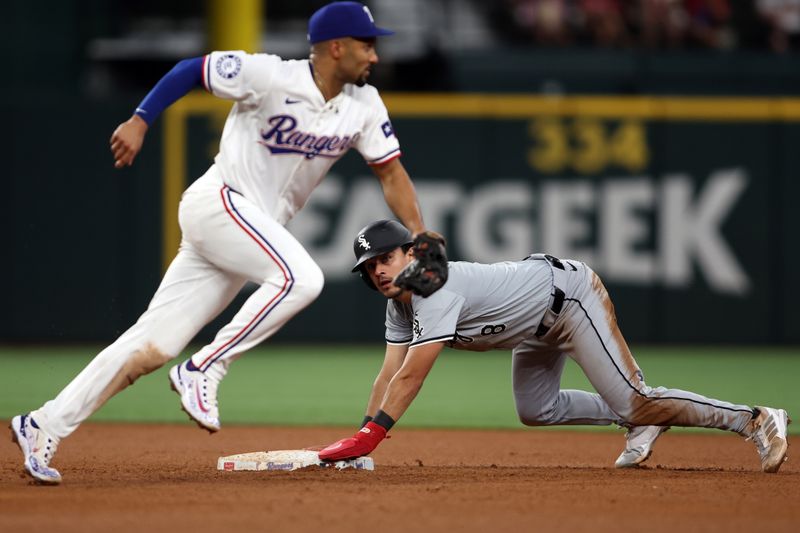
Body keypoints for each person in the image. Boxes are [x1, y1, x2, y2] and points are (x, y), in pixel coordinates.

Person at [10, 2, 429, 485]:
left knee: (151, 345)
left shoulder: (365, 104)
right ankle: (205, 367)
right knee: (302, 278)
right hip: (220, 202)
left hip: (245, 231)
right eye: (366, 43)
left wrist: (417, 232)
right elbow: (192, 69)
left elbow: (390, 172)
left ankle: (43, 423)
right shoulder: (270, 76)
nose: (374, 55)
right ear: (336, 47)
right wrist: (141, 119)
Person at [318, 220, 791, 473]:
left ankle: (753, 419)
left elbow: (412, 376)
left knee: (638, 400)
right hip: (533, 324)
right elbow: (388, 374)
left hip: (569, 300)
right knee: (536, 409)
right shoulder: (398, 302)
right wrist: (362, 435)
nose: (378, 270)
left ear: (412, 254)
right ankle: (636, 422)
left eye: (386, 257)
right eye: (369, 266)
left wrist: (371, 437)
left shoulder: (432, 287)